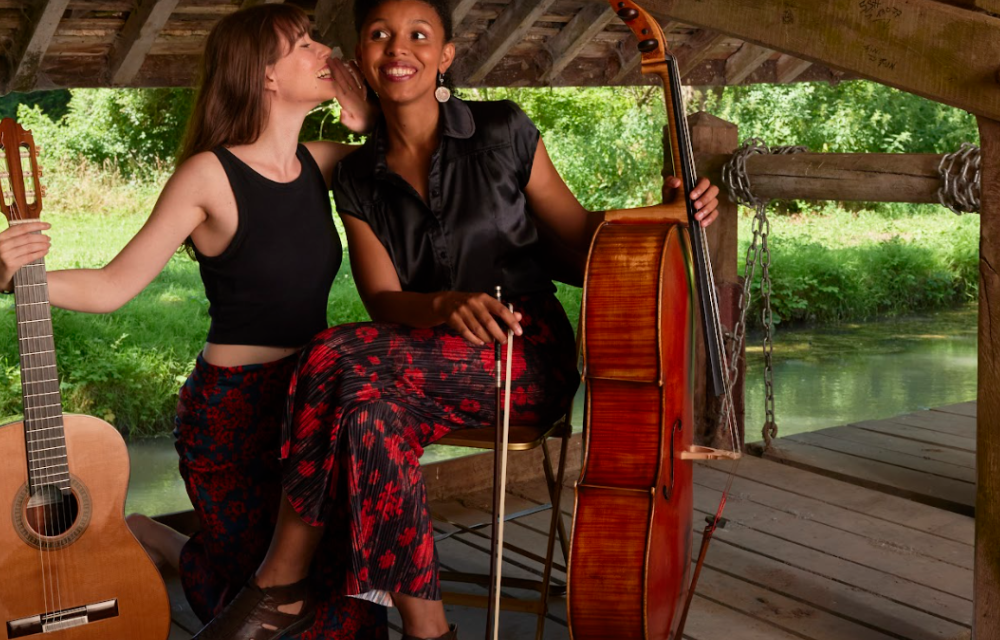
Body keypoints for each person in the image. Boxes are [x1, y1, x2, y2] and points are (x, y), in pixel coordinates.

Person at [195, 0, 724, 639]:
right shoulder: (358, 176)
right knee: (368, 414)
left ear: (445, 55)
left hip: (522, 354)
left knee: (334, 354)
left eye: (420, 35)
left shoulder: (503, 132)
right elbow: (385, 301)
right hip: (414, 368)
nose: (399, 49)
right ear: (361, 55)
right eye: (379, 35)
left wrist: (662, 214)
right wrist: (444, 305)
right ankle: (430, 631)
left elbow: (584, 237)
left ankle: (281, 582)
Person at [0, 5, 388, 639]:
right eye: (305, 44)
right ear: (265, 76)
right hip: (232, 416)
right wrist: (12, 275)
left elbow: (411, 160)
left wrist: (364, 118)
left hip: (311, 402)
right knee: (266, 600)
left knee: (346, 610)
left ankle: (157, 537)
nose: (325, 53)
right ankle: (163, 540)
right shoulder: (208, 174)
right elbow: (114, 286)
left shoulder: (325, 161)